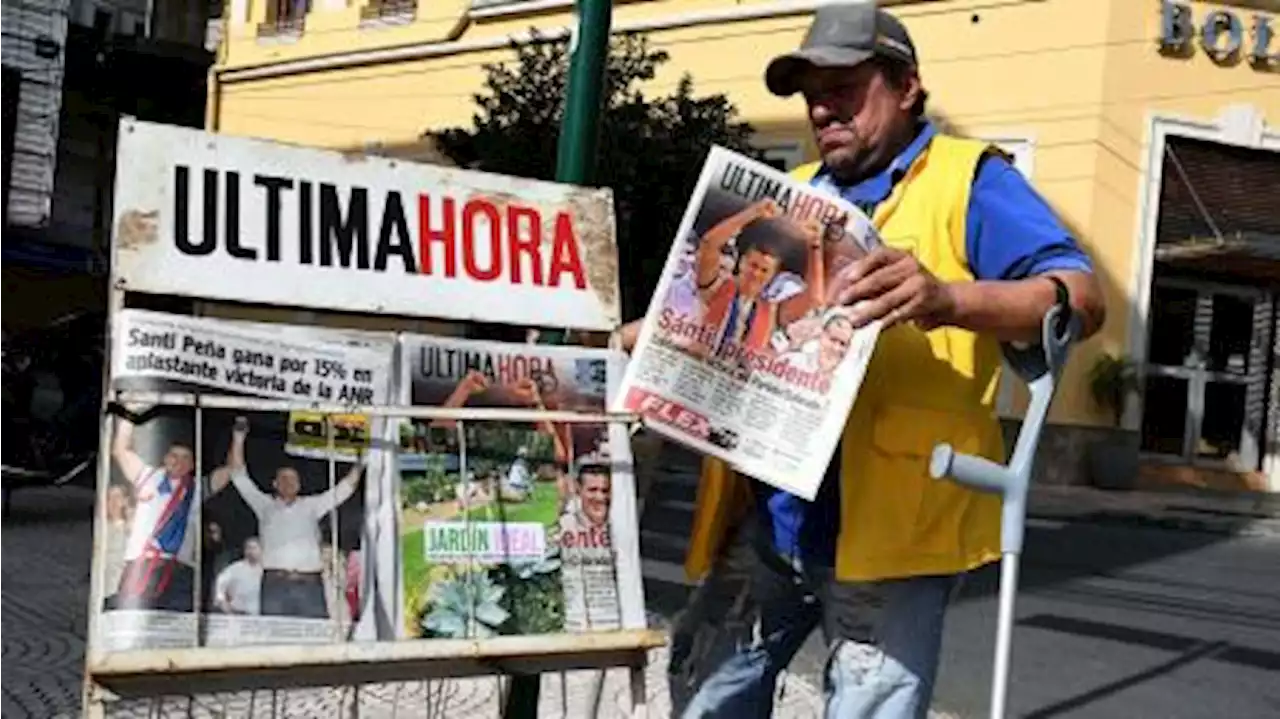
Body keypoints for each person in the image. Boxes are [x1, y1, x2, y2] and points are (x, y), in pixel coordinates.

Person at [621, 4, 1107, 717]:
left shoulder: (970, 179)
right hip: (772, 519)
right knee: (704, 689)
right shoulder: (800, 191)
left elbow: (1083, 298)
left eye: (844, 86)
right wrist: (640, 338)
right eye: (811, 92)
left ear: (906, 85)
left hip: (895, 533)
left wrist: (948, 298)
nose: (822, 107)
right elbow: (728, 313)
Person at [224, 415, 367, 619]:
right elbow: (238, 475)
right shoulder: (264, 504)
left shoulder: (312, 505)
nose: (288, 482)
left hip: (310, 584)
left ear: (299, 484)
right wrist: (238, 437)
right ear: (274, 484)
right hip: (275, 583)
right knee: (275, 640)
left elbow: (345, 489)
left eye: (293, 479)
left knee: (315, 638)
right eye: (283, 478)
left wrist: (361, 463)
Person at [107, 406, 230, 612]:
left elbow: (230, 471)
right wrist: (128, 414)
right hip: (142, 563)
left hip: (180, 568)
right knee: (133, 618)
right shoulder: (148, 476)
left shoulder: (196, 488)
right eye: (174, 455)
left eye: (185, 458)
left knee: (175, 625)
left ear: (192, 465)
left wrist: (237, 436)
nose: (179, 462)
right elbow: (120, 450)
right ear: (165, 458)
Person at [213, 536, 265, 615]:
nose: (251, 551)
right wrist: (222, 602)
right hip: (238, 614)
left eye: (254, 548)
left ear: (260, 550)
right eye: (249, 548)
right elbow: (220, 584)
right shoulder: (234, 569)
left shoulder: (264, 570)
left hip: (258, 616)